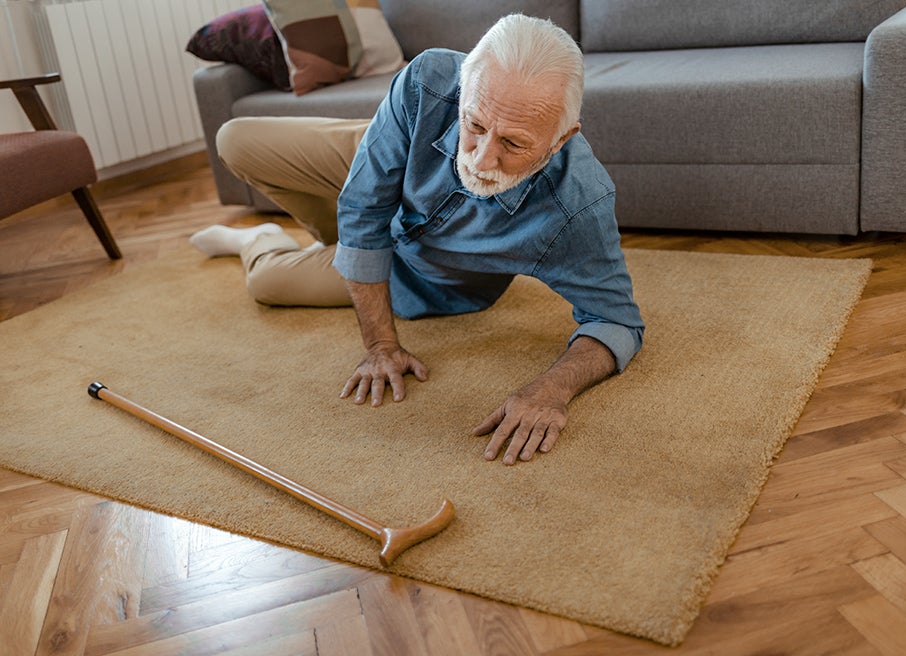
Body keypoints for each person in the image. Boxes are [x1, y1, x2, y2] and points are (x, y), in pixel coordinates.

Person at [190, 13, 645, 465]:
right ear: (463, 92)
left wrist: (552, 388)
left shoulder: (578, 206)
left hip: (419, 274)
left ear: (561, 139)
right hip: (399, 157)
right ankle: (337, 240)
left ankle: (260, 239)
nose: (484, 160)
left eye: (514, 144)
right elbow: (364, 206)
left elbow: (616, 322)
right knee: (235, 139)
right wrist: (381, 345)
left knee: (266, 282)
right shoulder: (430, 79)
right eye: (477, 126)